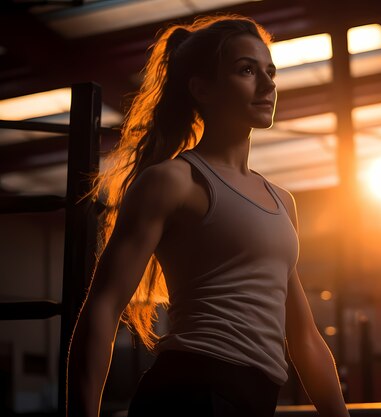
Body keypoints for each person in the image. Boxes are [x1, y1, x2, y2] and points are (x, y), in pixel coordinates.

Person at [66, 15, 350, 417]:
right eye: (247, 70)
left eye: (271, 71)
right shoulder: (173, 181)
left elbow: (304, 338)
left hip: (255, 403)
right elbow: (104, 306)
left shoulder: (282, 201)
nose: (268, 84)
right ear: (202, 88)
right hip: (191, 396)